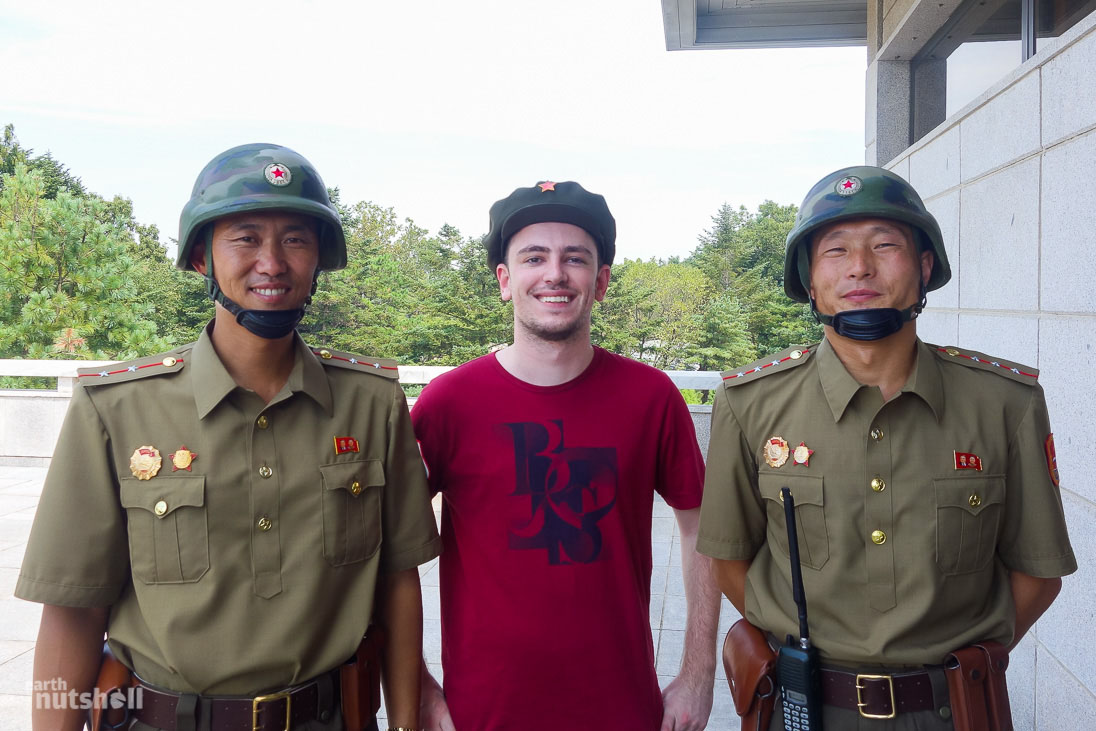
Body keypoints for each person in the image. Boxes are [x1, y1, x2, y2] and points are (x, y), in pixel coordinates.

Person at [16, 143, 441, 731]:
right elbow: (73, 609)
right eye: (244, 238)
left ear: (319, 259)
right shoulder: (117, 408)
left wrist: (408, 722)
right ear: (201, 259)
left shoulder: (371, 404)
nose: (271, 262)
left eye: (296, 239)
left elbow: (398, 585)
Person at [698, 166, 1077, 729]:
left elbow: (1038, 572)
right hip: (803, 710)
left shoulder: (1003, 402)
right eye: (835, 251)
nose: (860, 267)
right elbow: (729, 561)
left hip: (954, 711)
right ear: (807, 276)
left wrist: (959, 666)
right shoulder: (751, 403)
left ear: (924, 267)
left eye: (885, 245)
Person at [410, 180, 722, 730]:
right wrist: (416, 681)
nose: (554, 274)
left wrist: (697, 673)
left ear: (600, 282)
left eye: (575, 258)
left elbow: (702, 529)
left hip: (623, 707)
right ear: (505, 281)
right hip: (480, 712)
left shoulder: (651, 398)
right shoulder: (447, 404)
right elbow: (390, 547)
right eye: (534, 257)